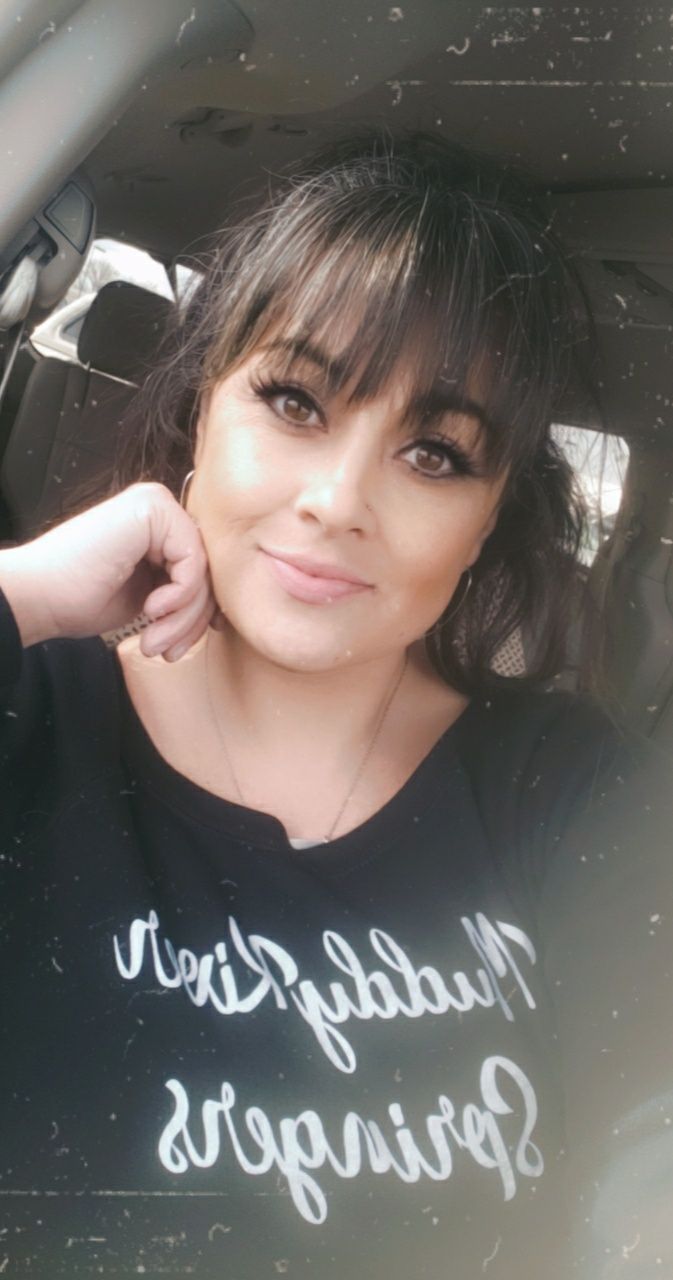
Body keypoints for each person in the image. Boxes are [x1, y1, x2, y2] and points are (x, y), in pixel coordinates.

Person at [0, 130, 670, 1279]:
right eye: (294, 400)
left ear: (488, 521)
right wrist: (20, 591)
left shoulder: (564, 786)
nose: (338, 498)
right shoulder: (34, 718)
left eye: (435, 454)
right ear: (203, 407)